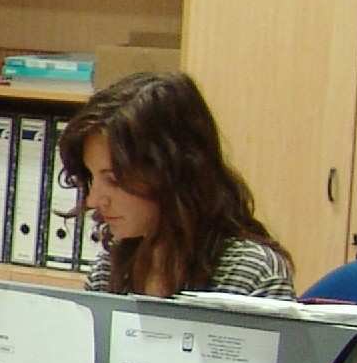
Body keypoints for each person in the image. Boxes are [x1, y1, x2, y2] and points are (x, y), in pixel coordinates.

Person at [59, 70, 295, 300]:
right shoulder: (107, 272)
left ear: (170, 173)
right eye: (92, 177)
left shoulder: (253, 276)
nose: (93, 200)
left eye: (114, 179)